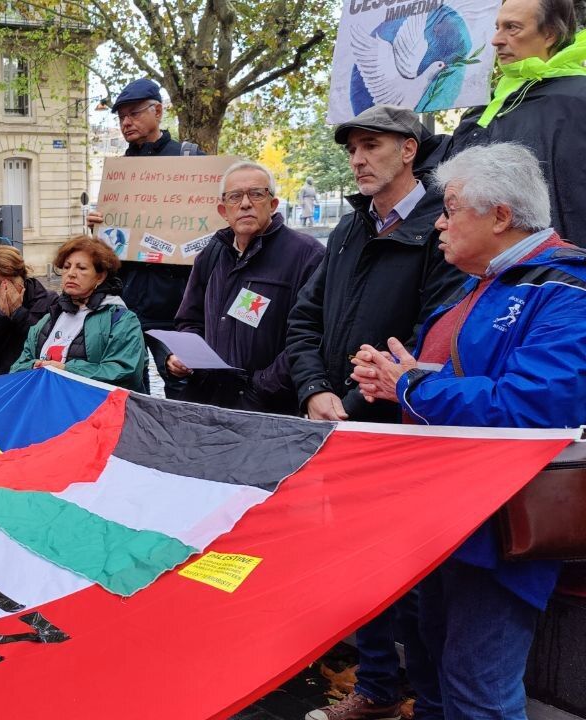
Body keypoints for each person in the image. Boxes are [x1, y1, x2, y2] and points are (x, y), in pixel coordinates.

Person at [351, 142, 586, 719]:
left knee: (480, 688)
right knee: (437, 668)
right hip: (449, 515)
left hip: (500, 528)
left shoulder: (567, 290)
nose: (440, 222)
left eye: (451, 208)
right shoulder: (488, 282)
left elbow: (529, 406)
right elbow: (481, 376)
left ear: (500, 216)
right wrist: (399, 378)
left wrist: (413, 385)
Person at [289, 105, 464, 720]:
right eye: (352, 149)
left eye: (371, 146)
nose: (358, 159)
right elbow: (304, 320)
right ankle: (378, 689)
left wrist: (352, 401)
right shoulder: (348, 228)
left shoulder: (441, 229)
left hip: (402, 434)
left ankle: (427, 699)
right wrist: (314, 390)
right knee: (353, 568)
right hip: (341, 429)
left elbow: (433, 340)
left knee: (414, 581)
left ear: (409, 149)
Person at [167, 162, 323, 414]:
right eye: (235, 197)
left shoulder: (307, 255)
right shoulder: (212, 254)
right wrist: (183, 358)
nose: (245, 204)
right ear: (223, 210)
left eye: (256, 194)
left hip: (268, 408)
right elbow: (190, 320)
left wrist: (260, 387)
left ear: (273, 204)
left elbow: (312, 335)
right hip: (207, 400)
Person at [86, 78, 204, 381]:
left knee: (180, 380)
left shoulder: (189, 159)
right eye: (121, 117)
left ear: (158, 112)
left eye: (134, 113)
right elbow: (111, 247)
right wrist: (98, 228)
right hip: (127, 300)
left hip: (175, 304)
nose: (126, 122)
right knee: (128, 384)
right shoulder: (119, 172)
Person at [446, 0, 586, 246]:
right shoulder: (488, 106)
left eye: (512, 28)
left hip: (559, 265)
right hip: (485, 264)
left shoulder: (578, 98)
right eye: (497, 27)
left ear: (550, 35)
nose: (496, 40)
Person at [12, 235, 147, 392]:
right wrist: (35, 366)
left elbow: (126, 372)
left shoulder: (122, 320)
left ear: (100, 276)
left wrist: (67, 370)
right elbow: (18, 367)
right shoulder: (49, 318)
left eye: (81, 268)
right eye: (66, 267)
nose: (71, 273)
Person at [0, 245, 56, 377]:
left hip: (35, 377)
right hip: (1, 379)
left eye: (12, 282)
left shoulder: (49, 300)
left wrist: (18, 312)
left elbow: (48, 345)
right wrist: (0, 317)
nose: (7, 290)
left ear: (22, 277)